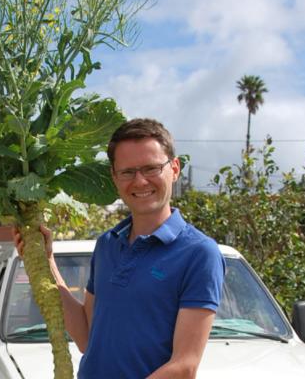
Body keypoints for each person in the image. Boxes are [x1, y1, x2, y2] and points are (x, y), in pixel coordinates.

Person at [15, 118, 225, 378]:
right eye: (127, 172)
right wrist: (47, 262)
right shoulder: (107, 244)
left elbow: (184, 366)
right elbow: (86, 336)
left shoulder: (199, 253)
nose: (140, 181)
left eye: (151, 168)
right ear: (114, 177)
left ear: (174, 168)